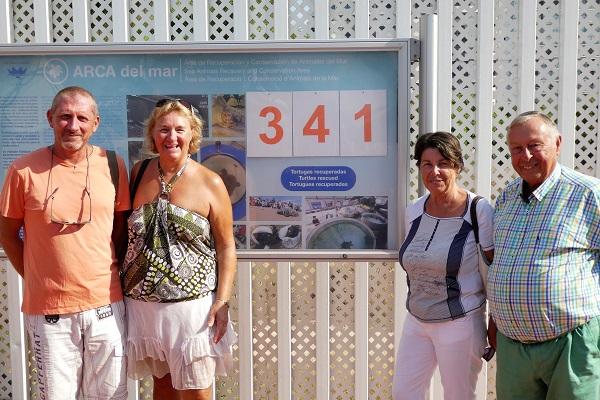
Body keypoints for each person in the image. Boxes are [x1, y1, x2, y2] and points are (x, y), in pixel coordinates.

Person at [0, 86, 130, 399]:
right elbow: (7, 234)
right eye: (65, 117)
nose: (73, 125)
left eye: (82, 118)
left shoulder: (113, 166)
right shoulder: (23, 170)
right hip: (49, 314)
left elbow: (120, 231)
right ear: (50, 118)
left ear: (95, 123)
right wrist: (36, 277)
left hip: (105, 308)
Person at [122, 98, 237, 400]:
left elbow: (226, 247)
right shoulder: (138, 172)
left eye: (179, 130)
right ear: (153, 135)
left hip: (192, 310)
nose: (171, 137)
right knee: (162, 388)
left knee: (196, 393)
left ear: (192, 136)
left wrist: (222, 300)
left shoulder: (210, 181)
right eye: (163, 130)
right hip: (144, 308)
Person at [488, 111, 600, 399]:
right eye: (516, 148)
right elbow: (501, 262)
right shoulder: (507, 196)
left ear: (558, 143)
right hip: (512, 346)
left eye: (535, 145)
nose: (525, 156)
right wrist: (496, 320)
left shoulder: (589, 194)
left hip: (572, 345)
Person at [393, 131, 494, 400]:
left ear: (457, 166)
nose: (435, 171)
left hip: (460, 322)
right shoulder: (414, 210)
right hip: (417, 320)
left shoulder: (479, 210)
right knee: (404, 393)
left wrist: (494, 322)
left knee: (458, 396)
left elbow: (493, 271)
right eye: (427, 164)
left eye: (443, 163)